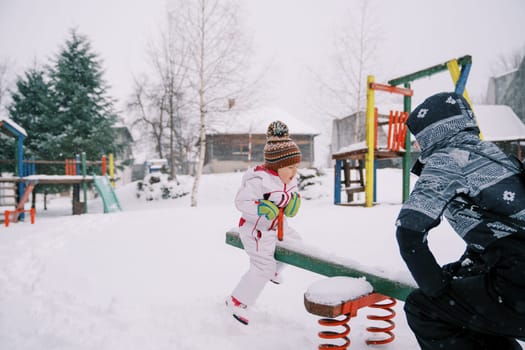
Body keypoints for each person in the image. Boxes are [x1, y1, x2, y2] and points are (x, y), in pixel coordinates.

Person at [396, 91, 525, 349]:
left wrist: (436, 287)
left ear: (431, 132)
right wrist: (461, 270)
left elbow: (408, 229)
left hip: (517, 286)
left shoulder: (447, 159)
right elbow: (497, 228)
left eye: (418, 137)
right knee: (469, 309)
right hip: (515, 277)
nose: (417, 145)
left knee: (424, 308)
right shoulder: (492, 153)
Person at [226, 120, 303, 326]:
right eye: (290, 167)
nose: (294, 172)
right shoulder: (259, 180)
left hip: (278, 225)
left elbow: (290, 196)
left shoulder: (288, 178)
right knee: (262, 266)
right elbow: (241, 202)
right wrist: (260, 208)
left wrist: (291, 205)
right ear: (277, 166)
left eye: (296, 167)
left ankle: (275, 270)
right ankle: (237, 301)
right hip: (255, 229)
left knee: (296, 244)